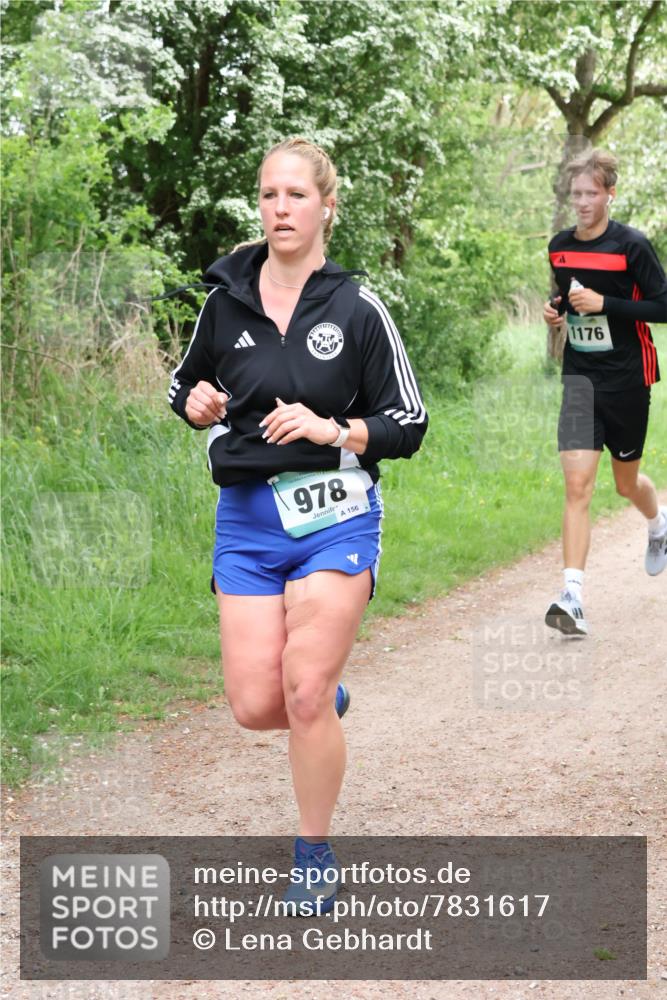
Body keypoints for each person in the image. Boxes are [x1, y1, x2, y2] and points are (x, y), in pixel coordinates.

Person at [168, 137, 428, 912]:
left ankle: (313, 853)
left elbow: (408, 421)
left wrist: (334, 430)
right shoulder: (225, 302)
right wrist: (195, 404)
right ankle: (320, 702)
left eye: (296, 195)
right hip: (246, 521)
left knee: (303, 690)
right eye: (270, 195)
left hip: (334, 518)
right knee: (256, 705)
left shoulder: (357, 308)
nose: (281, 208)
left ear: (326, 207)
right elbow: (185, 384)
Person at [543, 148, 667, 636]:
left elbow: (663, 305)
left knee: (624, 483)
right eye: (576, 193)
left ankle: (658, 523)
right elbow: (565, 293)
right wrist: (557, 310)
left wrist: (606, 304)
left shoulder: (632, 246)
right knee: (577, 487)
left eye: (591, 193)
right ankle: (572, 596)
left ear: (609, 194)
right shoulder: (558, 245)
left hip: (628, 380)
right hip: (580, 379)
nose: (582, 202)